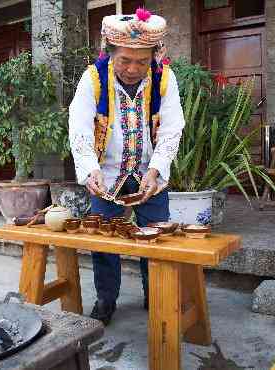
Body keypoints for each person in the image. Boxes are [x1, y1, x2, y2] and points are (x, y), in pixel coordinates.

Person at [68, 8, 186, 325]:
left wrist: (156, 169)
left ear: (154, 56)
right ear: (109, 53)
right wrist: (89, 168)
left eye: (141, 61)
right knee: (104, 241)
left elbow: (173, 128)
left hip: (150, 175)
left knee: (156, 238)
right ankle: (106, 299)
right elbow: (79, 128)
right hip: (106, 176)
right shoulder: (92, 78)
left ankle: (155, 294)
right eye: (125, 61)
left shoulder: (164, 79)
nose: (133, 69)